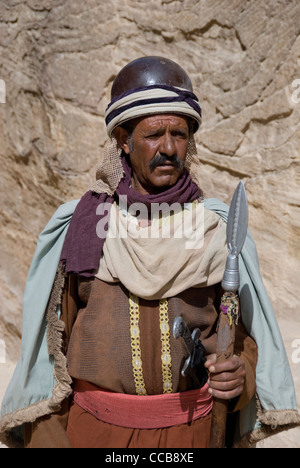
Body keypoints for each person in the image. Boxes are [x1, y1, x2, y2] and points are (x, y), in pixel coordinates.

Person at [0, 57, 299, 449]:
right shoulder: (85, 225)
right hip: (94, 434)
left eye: (180, 133)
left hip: (192, 434)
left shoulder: (214, 229)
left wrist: (238, 374)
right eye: (154, 135)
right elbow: (49, 348)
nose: (170, 148)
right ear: (124, 140)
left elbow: (242, 337)